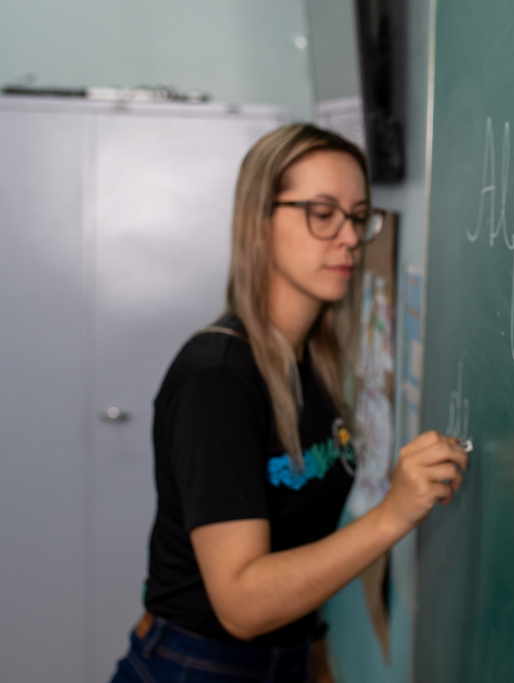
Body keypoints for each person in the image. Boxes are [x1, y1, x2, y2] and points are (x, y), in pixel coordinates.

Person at [110, 124, 468, 683]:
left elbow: (299, 543)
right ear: (258, 223)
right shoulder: (217, 381)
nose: (348, 237)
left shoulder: (314, 365)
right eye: (321, 213)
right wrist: (392, 515)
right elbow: (243, 604)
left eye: (357, 216)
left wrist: (312, 658)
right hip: (196, 668)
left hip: (283, 661)